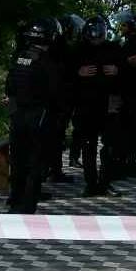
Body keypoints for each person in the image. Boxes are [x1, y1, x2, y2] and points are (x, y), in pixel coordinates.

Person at [4, 18, 63, 214]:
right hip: (39, 116)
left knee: (17, 160)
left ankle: (15, 199)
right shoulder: (47, 62)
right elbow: (55, 93)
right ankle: (27, 205)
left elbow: (9, 88)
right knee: (35, 162)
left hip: (17, 115)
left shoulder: (19, 58)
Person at [71, 15, 123, 197]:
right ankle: (90, 183)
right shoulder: (78, 51)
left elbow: (129, 74)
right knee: (88, 145)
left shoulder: (114, 49)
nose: (96, 39)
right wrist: (78, 72)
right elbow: (64, 75)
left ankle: (105, 182)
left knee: (110, 145)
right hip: (85, 104)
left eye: (99, 35)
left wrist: (118, 70)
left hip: (109, 104)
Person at [45, 13, 85, 184]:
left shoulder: (52, 45)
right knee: (56, 135)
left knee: (54, 134)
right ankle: (54, 170)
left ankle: (51, 169)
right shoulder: (62, 47)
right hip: (60, 98)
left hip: (56, 98)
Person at [115, 9, 136, 179]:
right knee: (123, 128)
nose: (121, 28)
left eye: (124, 25)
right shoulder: (126, 42)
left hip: (132, 92)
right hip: (126, 91)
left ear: (132, 26)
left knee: (128, 128)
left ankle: (128, 163)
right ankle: (124, 162)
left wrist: (122, 61)